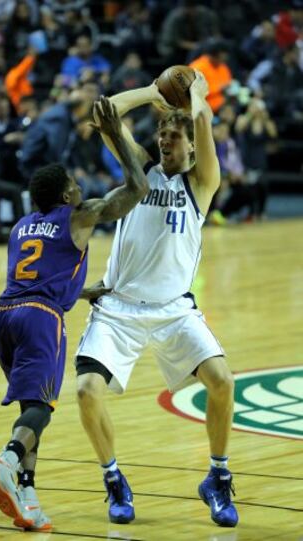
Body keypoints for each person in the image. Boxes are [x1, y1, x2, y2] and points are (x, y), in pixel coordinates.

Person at [76, 72, 239, 527]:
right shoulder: (140, 171)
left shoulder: (201, 183)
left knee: (222, 381)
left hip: (174, 309)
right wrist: (153, 92)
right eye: (162, 132)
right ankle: (113, 479)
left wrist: (198, 97)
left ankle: (218, 479)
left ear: (189, 147)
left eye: (174, 135)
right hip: (119, 305)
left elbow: (203, 124)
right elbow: (103, 111)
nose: (165, 139)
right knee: (87, 391)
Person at [0, 96, 149, 532]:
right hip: (40, 317)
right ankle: (7, 460)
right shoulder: (79, 214)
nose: (79, 187)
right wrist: (114, 135)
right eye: (73, 184)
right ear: (66, 195)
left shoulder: (22, 225)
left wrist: (84, 290)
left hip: (3, 316)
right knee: (43, 409)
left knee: (30, 406)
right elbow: (137, 191)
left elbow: (42, 272)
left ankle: (28, 496)